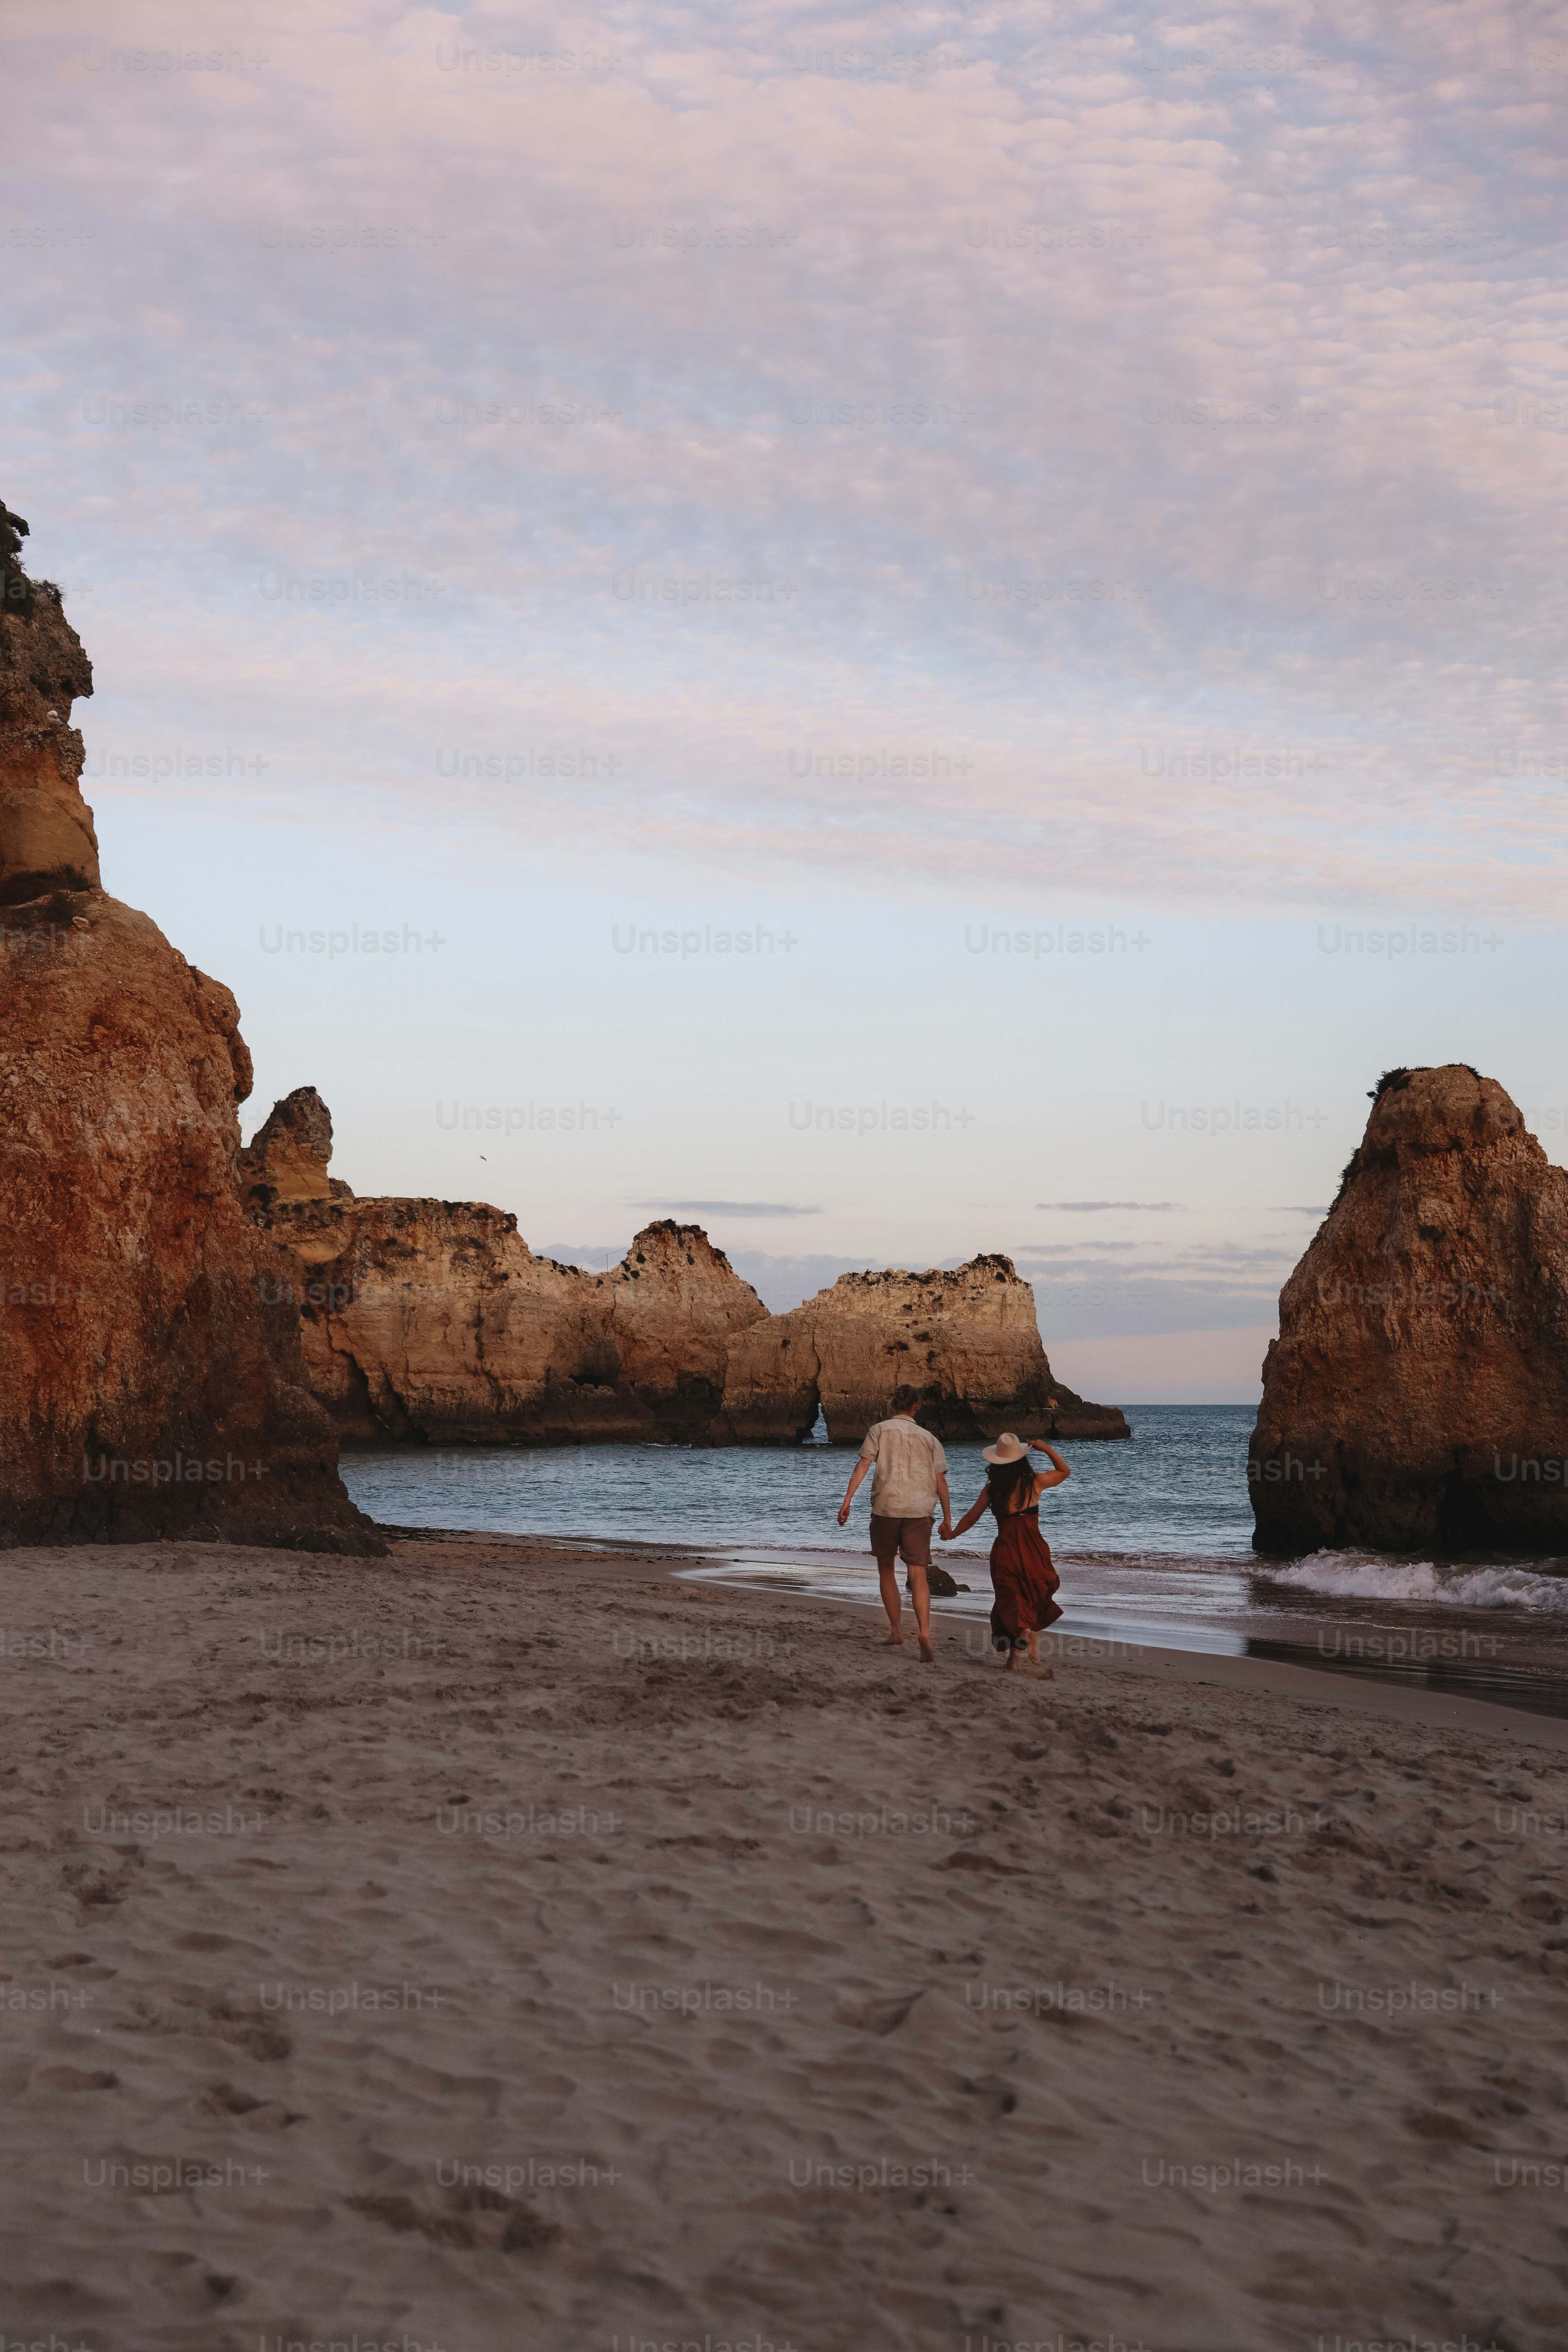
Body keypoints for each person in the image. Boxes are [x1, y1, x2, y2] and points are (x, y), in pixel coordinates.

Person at [836, 1382, 954, 1663]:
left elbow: (863, 1465)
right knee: (918, 1575)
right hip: (919, 1511)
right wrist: (949, 1519)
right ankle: (924, 1632)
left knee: (886, 1570)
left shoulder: (879, 1430)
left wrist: (847, 1500)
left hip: (886, 1508)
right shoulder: (930, 1439)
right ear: (916, 1407)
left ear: (894, 1406)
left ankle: (897, 1632)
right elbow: (941, 1482)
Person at [945, 1432, 1069, 1673]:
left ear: (997, 1461)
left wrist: (952, 1534)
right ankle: (1023, 1641)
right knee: (1031, 1596)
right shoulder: (1035, 1482)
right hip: (1034, 1547)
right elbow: (1065, 1472)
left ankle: (1017, 1651)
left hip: (1006, 1549)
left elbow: (972, 1518)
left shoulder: (993, 1489)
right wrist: (1046, 1449)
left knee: (1010, 1600)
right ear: (1022, 1460)